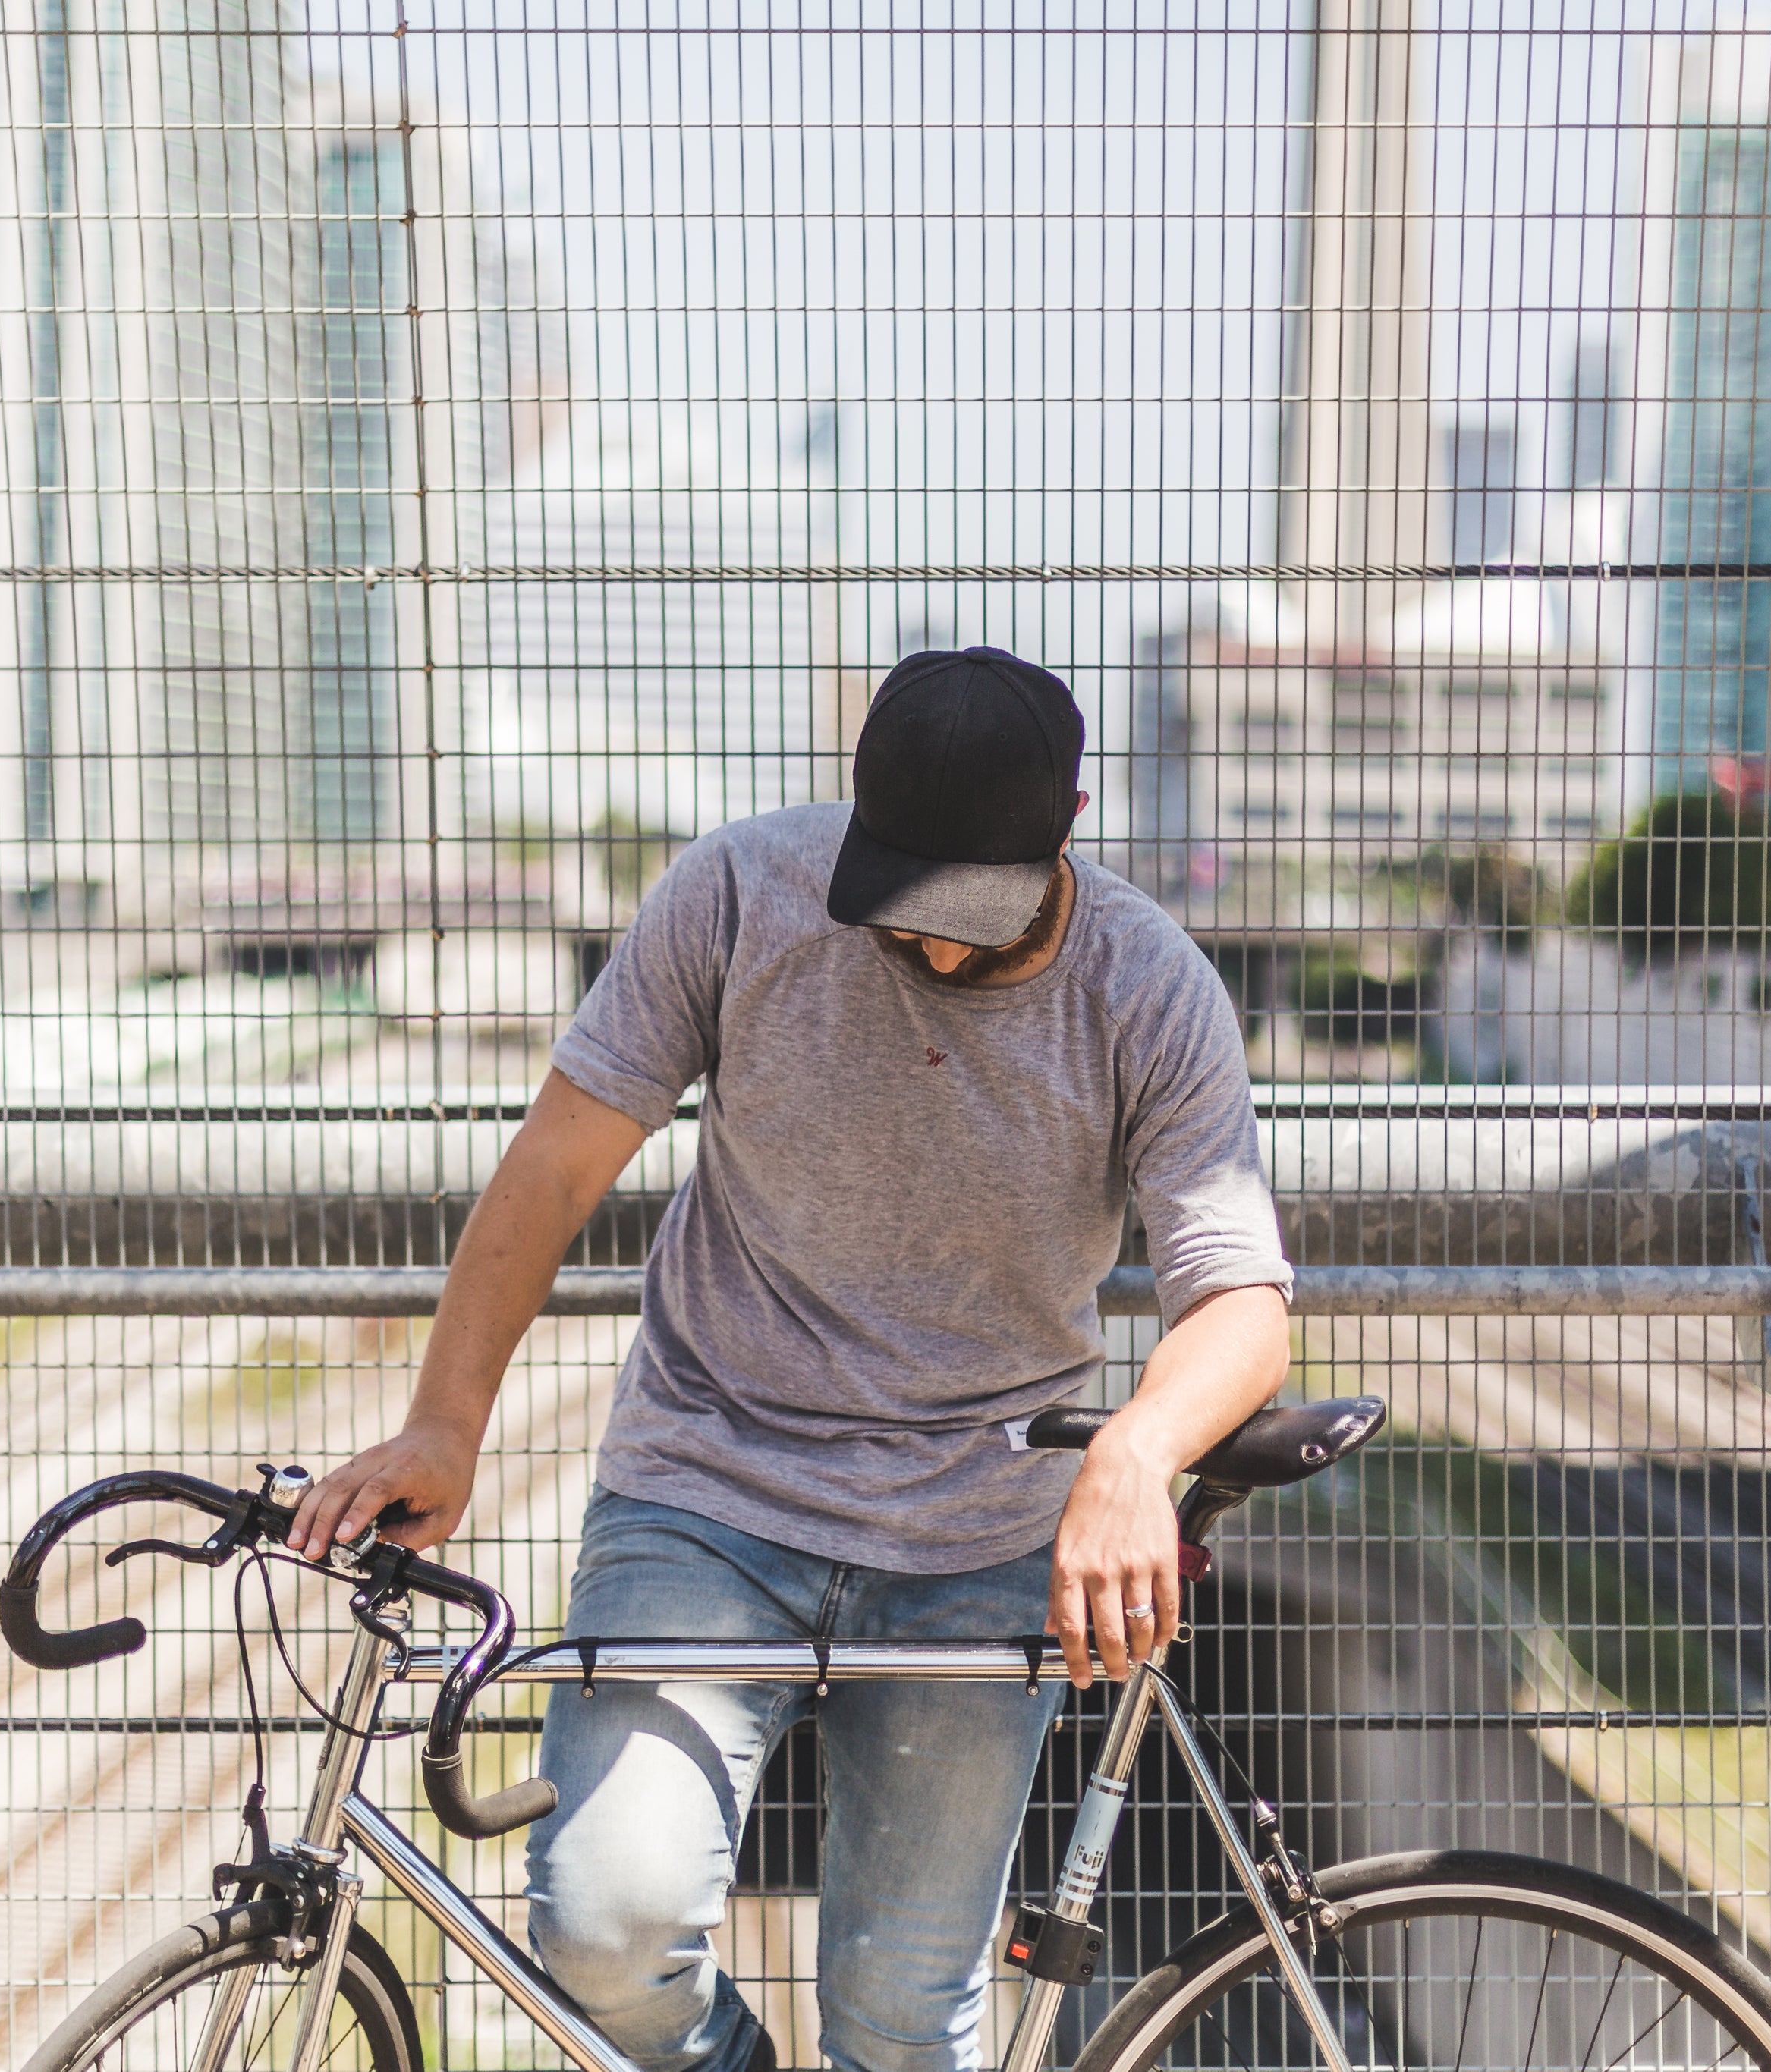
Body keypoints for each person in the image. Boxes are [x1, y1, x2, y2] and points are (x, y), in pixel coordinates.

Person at [291, 646, 1294, 2072]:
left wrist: (1135, 1451)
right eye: (904, 910)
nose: (936, 952)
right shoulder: (736, 892)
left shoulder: (1151, 988)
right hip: (709, 1484)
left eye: (971, 917)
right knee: (601, 1924)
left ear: (1071, 819)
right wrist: (444, 1424)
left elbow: (1243, 1302)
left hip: (972, 1531)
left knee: (900, 2017)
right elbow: (554, 1167)